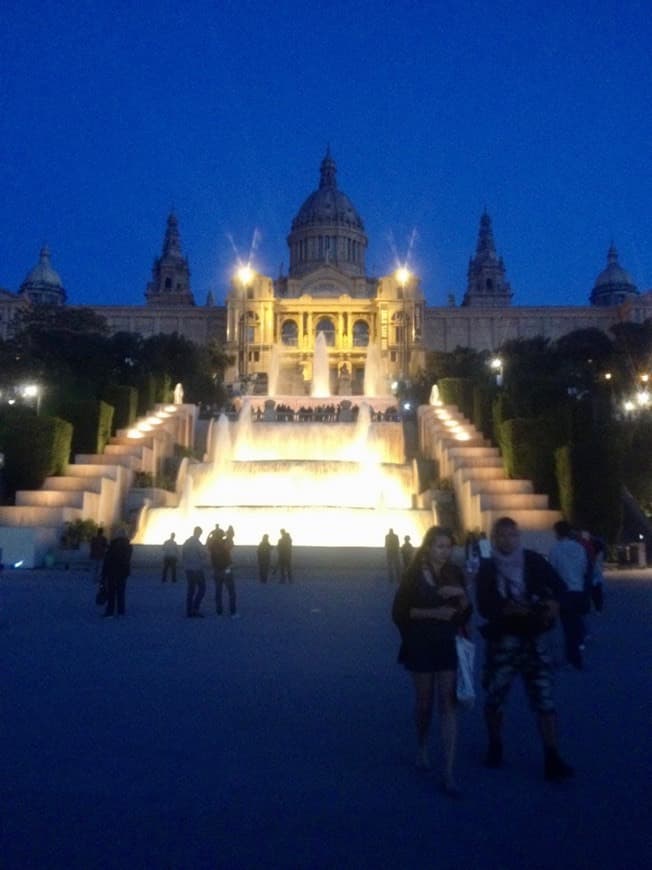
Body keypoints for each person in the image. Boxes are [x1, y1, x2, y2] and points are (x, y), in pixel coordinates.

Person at [475, 516, 573, 782]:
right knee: (495, 697)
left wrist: (553, 604)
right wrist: (506, 608)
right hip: (503, 642)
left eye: (512, 535)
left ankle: (552, 756)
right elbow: (483, 605)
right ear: (494, 539)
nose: (507, 540)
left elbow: (561, 589)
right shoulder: (487, 568)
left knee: (544, 698)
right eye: (502, 536)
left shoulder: (533, 560)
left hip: (535, 639)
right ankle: (495, 744)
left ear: (519, 537)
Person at [392, 526, 472, 795]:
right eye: (440, 546)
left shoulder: (455, 573)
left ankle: (448, 771)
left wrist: (460, 597)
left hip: (447, 645)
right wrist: (433, 613)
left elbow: (465, 614)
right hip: (420, 645)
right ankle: (423, 746)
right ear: (428, 547)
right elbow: (400, 612)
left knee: (448, 704)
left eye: (448, 546)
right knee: (424, 702)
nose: (445, 551)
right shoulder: (413, 575)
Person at [549, 521, 589, 670]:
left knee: (568, 627)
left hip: (564, 591)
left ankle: (573, 659)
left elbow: (552, 571)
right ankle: (576, 653)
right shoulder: (579, 548)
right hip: (578, 589)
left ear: (557, 533)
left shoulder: (555, 550)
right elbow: (585, 567)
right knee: (576, 623)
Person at [209, 525, 239, 617]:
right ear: (222, 535)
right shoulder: (225, 543)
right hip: (226, 569)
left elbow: (207, 543)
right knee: (231, 592)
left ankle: (219, 611)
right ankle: (232, 611)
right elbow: (230, 543)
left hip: (216, 570)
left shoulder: (212, 545)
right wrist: (228, 534)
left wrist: (210, 534)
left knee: (218, 591)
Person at [102, 528, 133, 618]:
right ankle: (121, 610)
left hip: (112, 571)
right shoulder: (129, 547)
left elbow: (107, 560)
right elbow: (127, 559)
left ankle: (110, 611)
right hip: (123, 572)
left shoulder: (113, 546)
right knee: (121, 592)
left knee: (111, 592)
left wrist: (104, 573)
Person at [182, 526, 208, 618]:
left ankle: (189, 610)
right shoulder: (197, 543)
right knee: (202, 588)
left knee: (191, 590)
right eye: (200, 533)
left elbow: (183, 554)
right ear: (199, 533)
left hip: (188, 569)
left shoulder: (187, 542)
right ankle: (195, 608)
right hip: (197, 569)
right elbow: (203, 555)